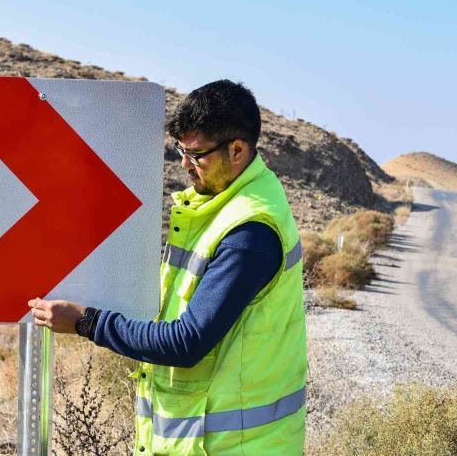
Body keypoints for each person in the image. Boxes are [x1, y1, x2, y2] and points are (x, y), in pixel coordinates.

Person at [28, 79, 307, 455]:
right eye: (180, 149)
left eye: (196, 154)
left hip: (235, 446)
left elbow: (185, 342)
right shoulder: (223, 204)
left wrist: (85, 321)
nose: (184, 164)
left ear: (238, 150)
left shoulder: (250, 232)